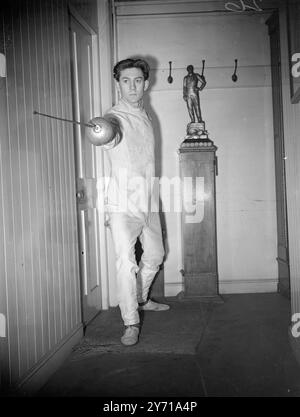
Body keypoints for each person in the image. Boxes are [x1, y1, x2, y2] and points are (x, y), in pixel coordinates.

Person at [91, 58, 169, 347]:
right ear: (118, 84)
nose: (132, 86)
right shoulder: (114, 117)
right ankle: (130, 322)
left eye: (137, 80)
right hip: (123, 204)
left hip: (148, 200)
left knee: (156, 255)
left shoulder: (146, 115)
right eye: (126, 81)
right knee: (126, 263)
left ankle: (141, 298)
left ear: (145, 84)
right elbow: (108, 134)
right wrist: (101, 131)